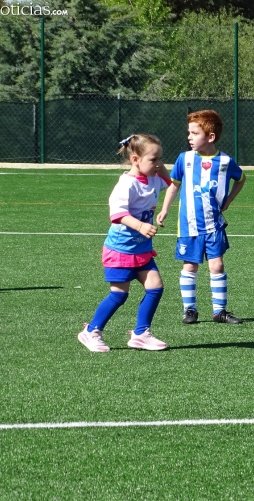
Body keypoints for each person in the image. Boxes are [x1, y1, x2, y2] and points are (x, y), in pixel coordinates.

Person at [78, 133, 171, 352]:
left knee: (155, 287)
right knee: (119, 294)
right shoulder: (126, 184)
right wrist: (140, 226)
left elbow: (171, 181)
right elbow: (118, 214)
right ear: (135, 160)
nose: (158, 164)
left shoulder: (153, 179)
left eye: (160, 159)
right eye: (153, 160)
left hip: (142, 250)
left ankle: (141, 334)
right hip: (121, 250)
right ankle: (91, 331)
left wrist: (157, 160)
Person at [157, 110, 246, 324]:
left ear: (210, 137)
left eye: (194, 133)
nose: (189, 137)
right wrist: (165, 208)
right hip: (189, 226)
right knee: (190, 266)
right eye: (189, 132)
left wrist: (229, 201)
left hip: (214, 225)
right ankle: (190, 310)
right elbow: (173, 185)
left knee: (217, 266)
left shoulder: (225, 161)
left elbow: (241, 179)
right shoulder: (184, 159)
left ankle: (219, 311)